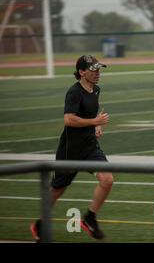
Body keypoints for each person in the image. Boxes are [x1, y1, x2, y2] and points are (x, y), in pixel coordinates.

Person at [30, 55, 113, 242]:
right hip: (70, 150)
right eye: (93, 70)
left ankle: (90, 218)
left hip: (90, 147)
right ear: (82, 72)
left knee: (107, 179)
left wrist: (95, 126)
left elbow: (89, 115)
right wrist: (94, 121)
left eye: (99, 69)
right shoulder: (74, 93)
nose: (97, 73)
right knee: (58, 190)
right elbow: (69, 119)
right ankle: (39, 224)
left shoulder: (96, 90)